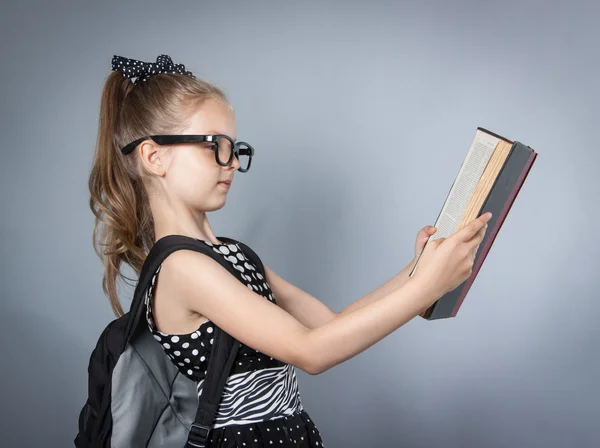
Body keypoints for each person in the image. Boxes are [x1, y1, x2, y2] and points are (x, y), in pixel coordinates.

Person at [88, 53, 491, 448]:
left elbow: (327, 326)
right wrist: (425, 288)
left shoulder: (233, 254)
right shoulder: (182, 267)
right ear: (154, 156)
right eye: (215, 146)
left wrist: (416, 272)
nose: (230, 163)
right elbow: (311, 352)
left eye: (234, 147)